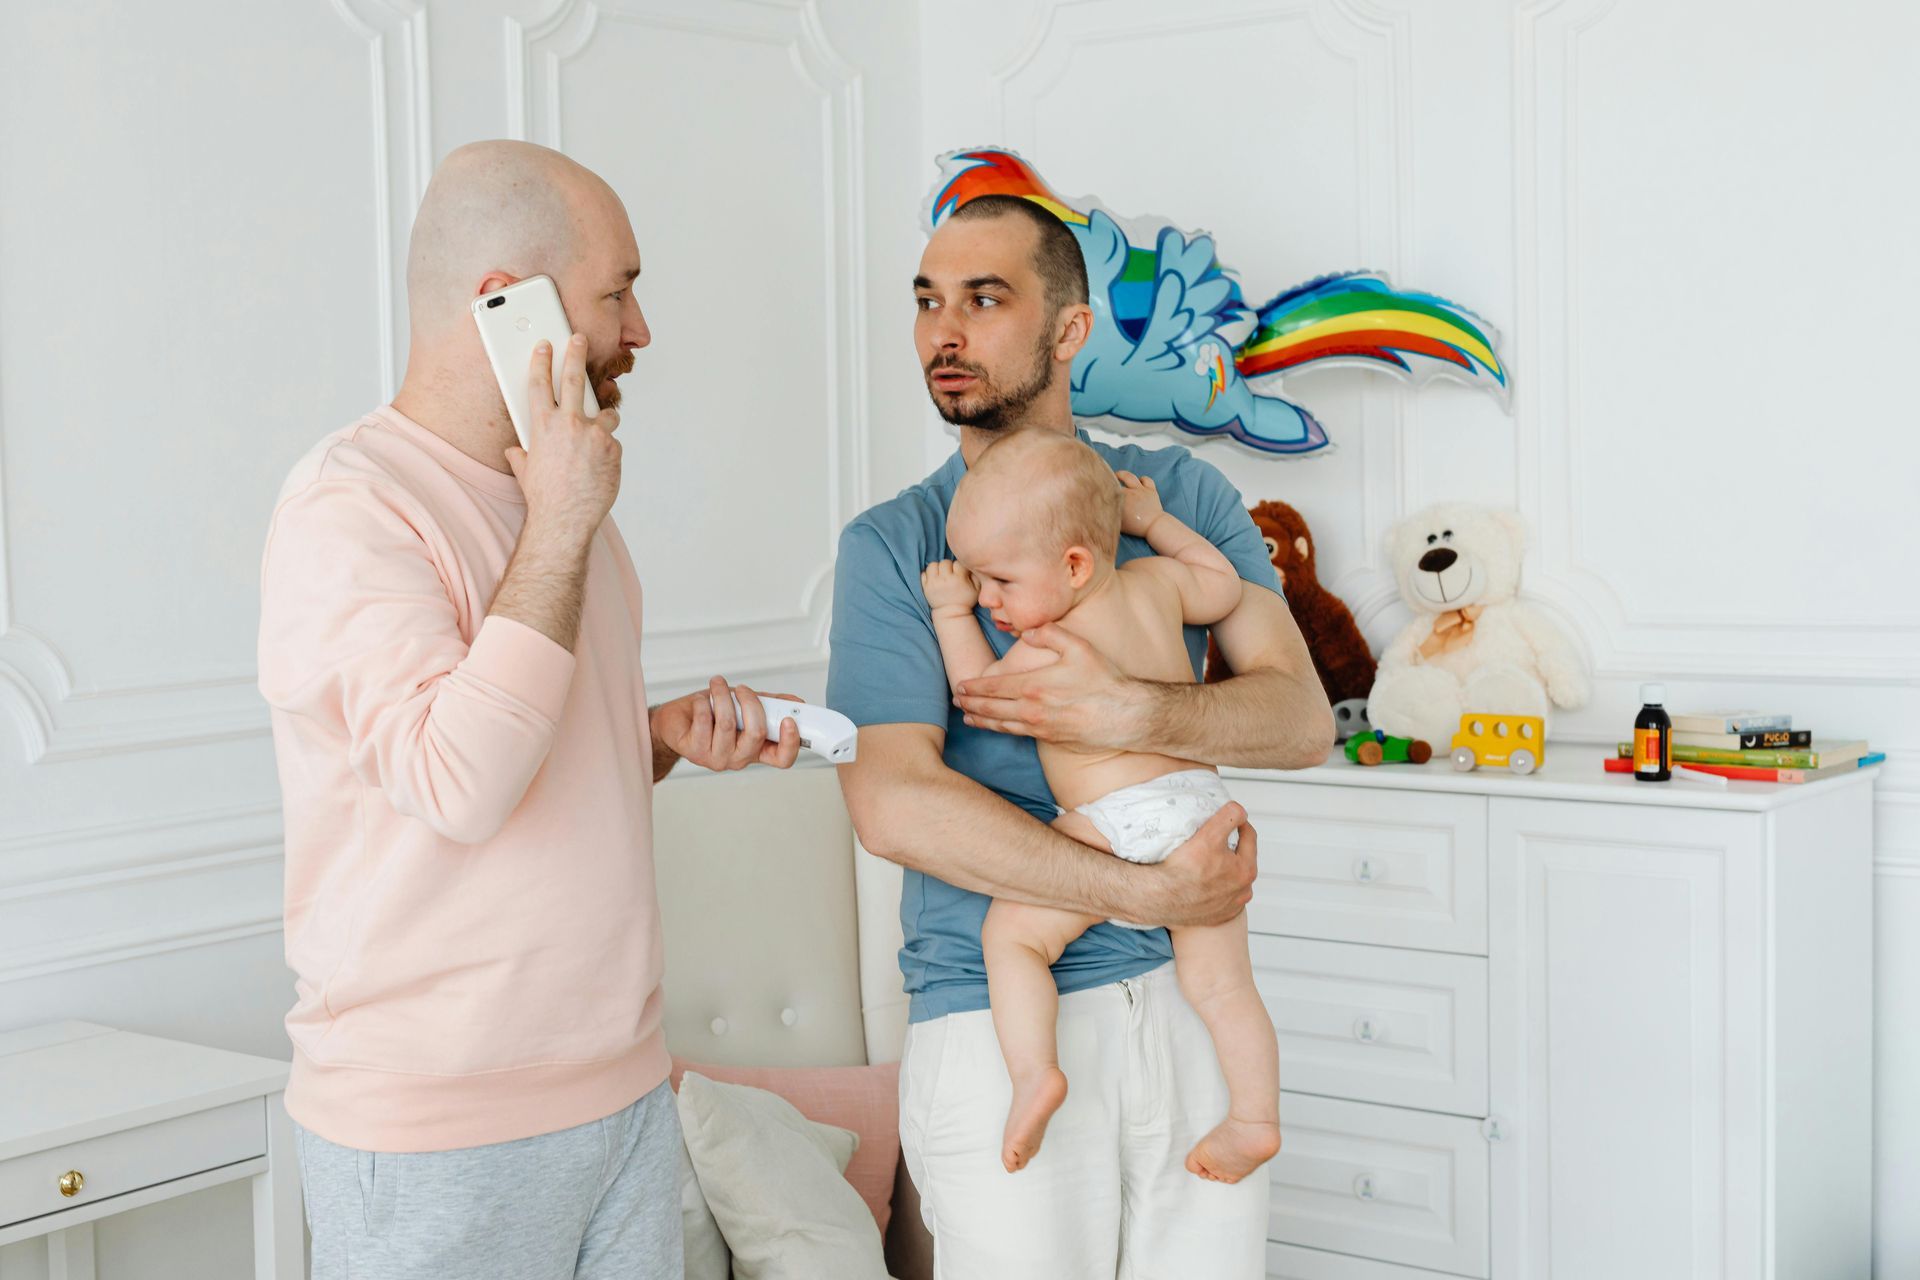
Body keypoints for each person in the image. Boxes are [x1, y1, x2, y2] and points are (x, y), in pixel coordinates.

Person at [257, 140, 798, 1280]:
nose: (640, 331)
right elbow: (456, 781)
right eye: (619, 291)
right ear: (506, 302)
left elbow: (526, 752)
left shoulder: (564, 498)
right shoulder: (349, 508)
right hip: (435, 1132)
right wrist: (558, 522)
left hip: (621, 1095)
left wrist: (648, 739)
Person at [829, 192, 1334, 1277]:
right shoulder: (899, 544)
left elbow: (1300, 719)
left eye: (984, 297)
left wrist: (1133, 710)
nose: (943, 331)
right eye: (926, 302)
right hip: (1000, 1022)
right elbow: (890, 802)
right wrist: (1147, 890)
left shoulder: (1174, 492)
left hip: (1188, 1002)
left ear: (1069, 330)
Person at [921, 429, 1280, 1184]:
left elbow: (979, 699)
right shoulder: (1157, 583)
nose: (989, 598)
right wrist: (1154, 524)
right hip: (1205, 809)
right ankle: (1254, 1119)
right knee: (1223, 985)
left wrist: (954, 615)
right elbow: (1223, 584)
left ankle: (1034, 1074)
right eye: (978, 586)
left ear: (1074, 565)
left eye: (998, 582)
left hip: (1122, 819)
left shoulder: (1051, 644)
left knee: (1014, 937)